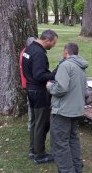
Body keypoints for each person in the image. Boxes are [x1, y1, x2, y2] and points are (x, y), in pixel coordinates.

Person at [47, 42, 88, 173]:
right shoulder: (80, 66)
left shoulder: (65, 65)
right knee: (72, 140)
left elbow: (61, 88)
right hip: (76, 110)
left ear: (66, 52)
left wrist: (50, 86)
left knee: (60, 144)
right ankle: (77, 168)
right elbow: (84, 90)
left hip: (63, 112)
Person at [22, 29, 58, 164]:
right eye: (53, 43)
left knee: (36, 122)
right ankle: (40, 154)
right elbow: (39, 75)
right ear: (46, 40)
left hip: (31, 91)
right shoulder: (38, 53)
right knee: (41, 124)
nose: (53, 46)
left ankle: (33, 150)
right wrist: (54, 74)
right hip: (38, 92)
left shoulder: (29, 48)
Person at [19, 36, 36, 131]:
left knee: (31, 104)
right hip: (30, 84)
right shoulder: (28, 54)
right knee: (31, 105)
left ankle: (32, 124)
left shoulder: (24, 52)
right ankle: (31, 125)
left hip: (27, 83)